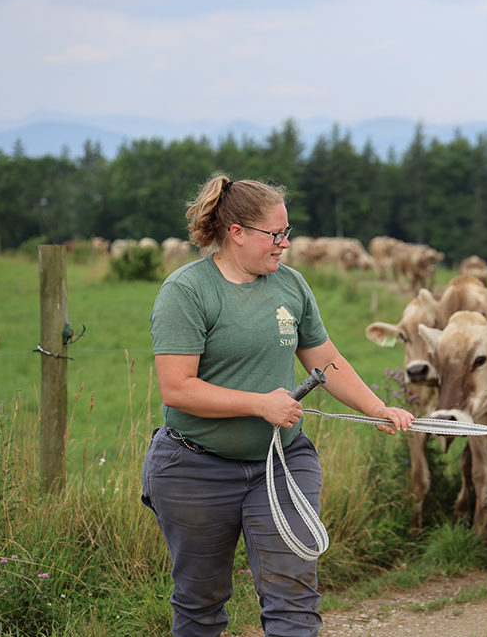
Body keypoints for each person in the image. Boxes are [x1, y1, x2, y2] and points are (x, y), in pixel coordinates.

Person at [141, 172, 414, 637]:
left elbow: (325, 360)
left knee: (293, 601)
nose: (285, 244)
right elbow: (178, 389)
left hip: (283, 462)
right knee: (200, 604)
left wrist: (377, 408)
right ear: (237, 233)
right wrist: (258, 404)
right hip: (195, 468)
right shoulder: (186, 291)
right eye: (276, 235)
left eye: (287, 233)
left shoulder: (291, 286)